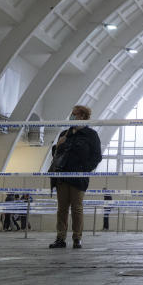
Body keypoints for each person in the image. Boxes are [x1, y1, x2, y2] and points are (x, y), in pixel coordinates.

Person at [48, 105, 102, 249]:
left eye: (74, 114)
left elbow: (97, 156)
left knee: (77, 208)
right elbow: (56, 155)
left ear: (82, 116)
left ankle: (77, 238)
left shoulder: (91, 135)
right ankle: (60, 238)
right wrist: (57, 146)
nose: (71, 117)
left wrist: (84, 169)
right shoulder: (65, 134)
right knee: (62, 209)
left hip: (78, 177)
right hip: (62, 175)